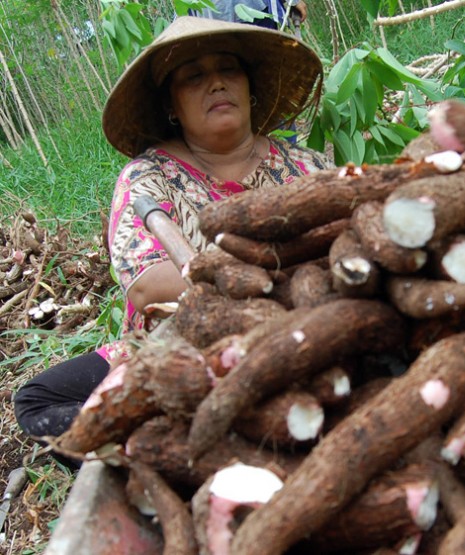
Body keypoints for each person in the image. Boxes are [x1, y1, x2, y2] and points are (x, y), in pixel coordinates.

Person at [13, 16, 332, 449]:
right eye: (194, 76)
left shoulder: (306, 166)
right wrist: (263, 280)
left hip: (307, 322)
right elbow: (145, 285)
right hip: (172, 342)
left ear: (249, 86)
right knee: (37, 402)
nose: (216, 84)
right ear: (171, 106)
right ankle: (161, 444)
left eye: (228, 69)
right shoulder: (148, 176)